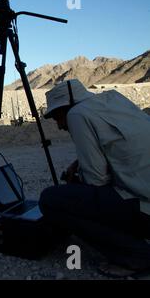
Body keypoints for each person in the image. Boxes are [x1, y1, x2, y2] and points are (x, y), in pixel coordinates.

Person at [39, 79, 150, 278]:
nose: (59, 126)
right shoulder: (113, 99)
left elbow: (97, 181)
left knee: (51, 200)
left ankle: (135, 255)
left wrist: (78, 181)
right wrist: (80, 162)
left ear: (67, 107)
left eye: (57, 117)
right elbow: (120, 145)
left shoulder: (76, 114)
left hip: (145, 208)